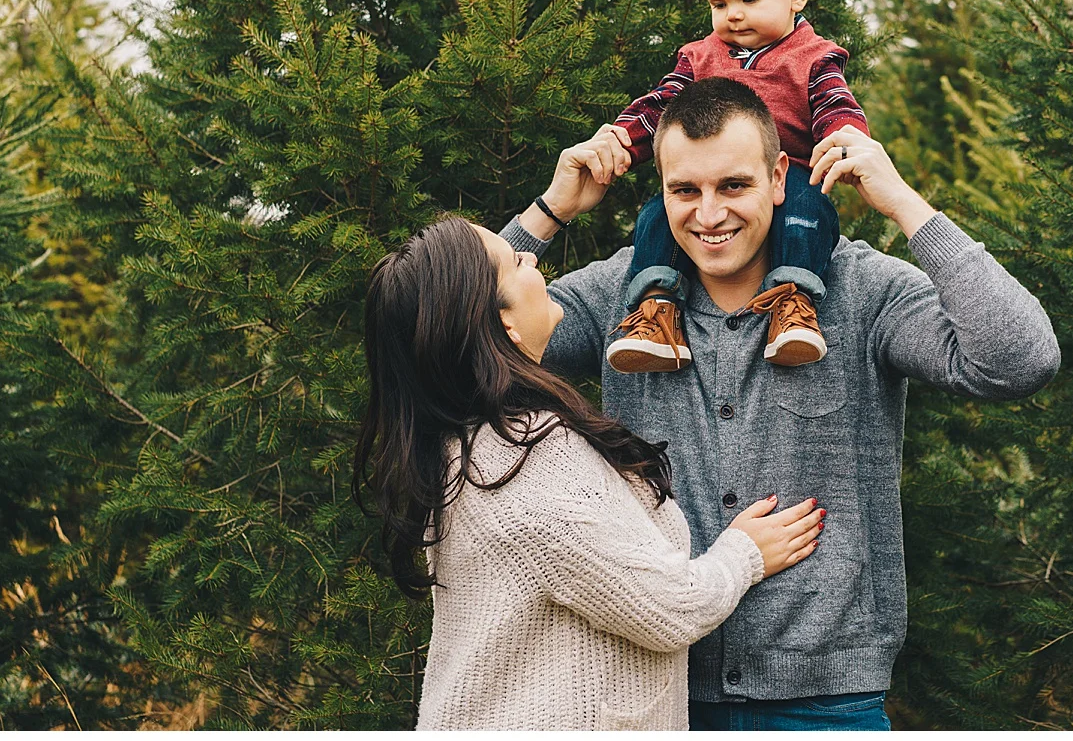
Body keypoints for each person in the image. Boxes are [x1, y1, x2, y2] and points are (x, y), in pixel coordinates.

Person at [503, 77, 1062, 730]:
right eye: (686, 190)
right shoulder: (622, 297)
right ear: (662, 190)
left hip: (829, 704)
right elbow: (461, 343)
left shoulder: (863, 290)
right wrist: (550, 208)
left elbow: (1020, 357)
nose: (709, 214)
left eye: (733, 185)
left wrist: (903, 203)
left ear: (777, 177)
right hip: (654, 697)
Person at [351, 214, 826, 730]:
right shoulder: (531, 465)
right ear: (503, 325)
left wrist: (552, 208)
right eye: (517, 262)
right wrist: (745, 554)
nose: (531, 258)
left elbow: (456, 290)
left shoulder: (466, 445)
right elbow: (672, 607)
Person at [599, 0, 870, 373]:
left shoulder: (811, 57)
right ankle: (656, 310)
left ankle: (792, 305)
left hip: (793, 174)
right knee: (657, 216)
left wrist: (846, 142)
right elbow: (662, 105)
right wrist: (622, 138)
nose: (734, 14)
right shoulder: (700, 56)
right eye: (719, 4)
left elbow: (835, 105)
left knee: (807, 212)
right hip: (706, 172)